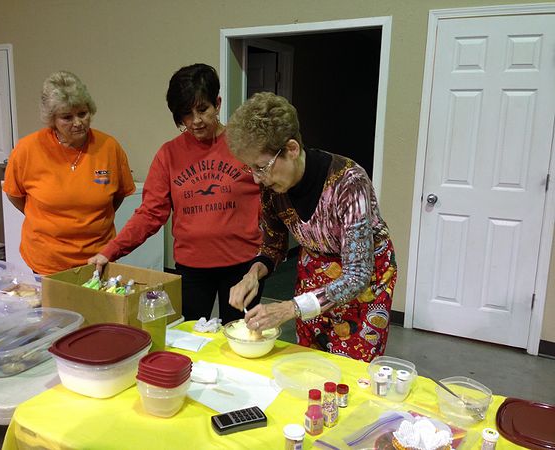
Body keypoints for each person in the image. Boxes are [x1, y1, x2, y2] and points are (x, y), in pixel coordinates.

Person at [227, 92, 397, 362]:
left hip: (364, 278)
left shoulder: (348, 182)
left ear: (292, 149)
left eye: (261, 167)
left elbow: (357, 275)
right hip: (315, 271)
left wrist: (289, 308)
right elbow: (273, 245)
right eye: (251, 169)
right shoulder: (273, 188)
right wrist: (252, 274)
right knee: (309, 358)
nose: (258, 179)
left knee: (351, 367)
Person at [89, 63, 263, 323]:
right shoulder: (168, 155)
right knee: (190, 340)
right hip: (192, 269)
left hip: (242, 266)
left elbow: (274, 200)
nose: (196, 121)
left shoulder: (245, 146)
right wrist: (110, 251)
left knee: (241, 337)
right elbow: (150, 213)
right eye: (186, 114)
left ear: (217, 103)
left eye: (203, 109)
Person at [3, 71, 135, 275]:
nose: (78, 122)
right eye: (67, 117)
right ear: (52, 120)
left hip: (98, 258)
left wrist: (95, 220)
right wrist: (45, 220)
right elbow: (14, 194)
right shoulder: (27, 149)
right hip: (47, 260)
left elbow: (118, 195)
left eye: (83, 113)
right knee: (52, 308)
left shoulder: (109, 147)